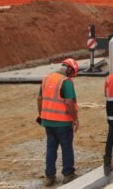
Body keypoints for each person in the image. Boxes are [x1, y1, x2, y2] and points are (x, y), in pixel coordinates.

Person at [37, 58, 80, 187]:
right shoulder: (65, 82)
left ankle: (49, 177)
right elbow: (68, 102)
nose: (72, 76)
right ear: (69, 70)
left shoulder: (47, 78)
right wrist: (75, 119)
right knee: (66, 148)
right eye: (72, 73)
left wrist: (41, 115)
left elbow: (40, 99)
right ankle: (68, 174)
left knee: (51, 148)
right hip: (63, 123)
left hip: (48, 122)